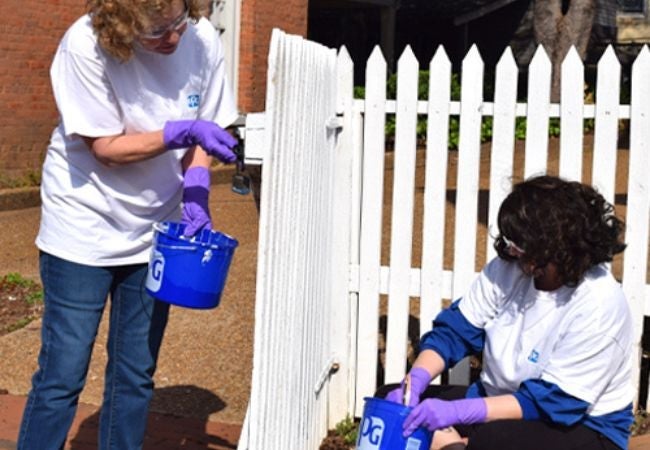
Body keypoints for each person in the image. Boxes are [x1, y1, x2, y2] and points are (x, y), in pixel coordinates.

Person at [17, 1, 238, 449]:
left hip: (156, 229)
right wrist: (177, 133)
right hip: (83, 222)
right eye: (156, 32)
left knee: (135, 372)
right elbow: (106, 148)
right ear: (122, 24)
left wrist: (196, 186)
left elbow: (206, 127)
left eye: (180, 21)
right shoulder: (84, 45)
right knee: (63, 371)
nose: (173, 38)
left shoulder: (202, 39)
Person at [381, 175, 633, 450]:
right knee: (388, 404)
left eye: (519, 244)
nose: (509, 250)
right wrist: (415, 380)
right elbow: (456, 331)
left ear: (554, 249)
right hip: (500, 401)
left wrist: (457, 415)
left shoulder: (599, 303)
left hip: (583, 426)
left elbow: (555, 402)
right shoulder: (509, 268)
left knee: (490, 441)